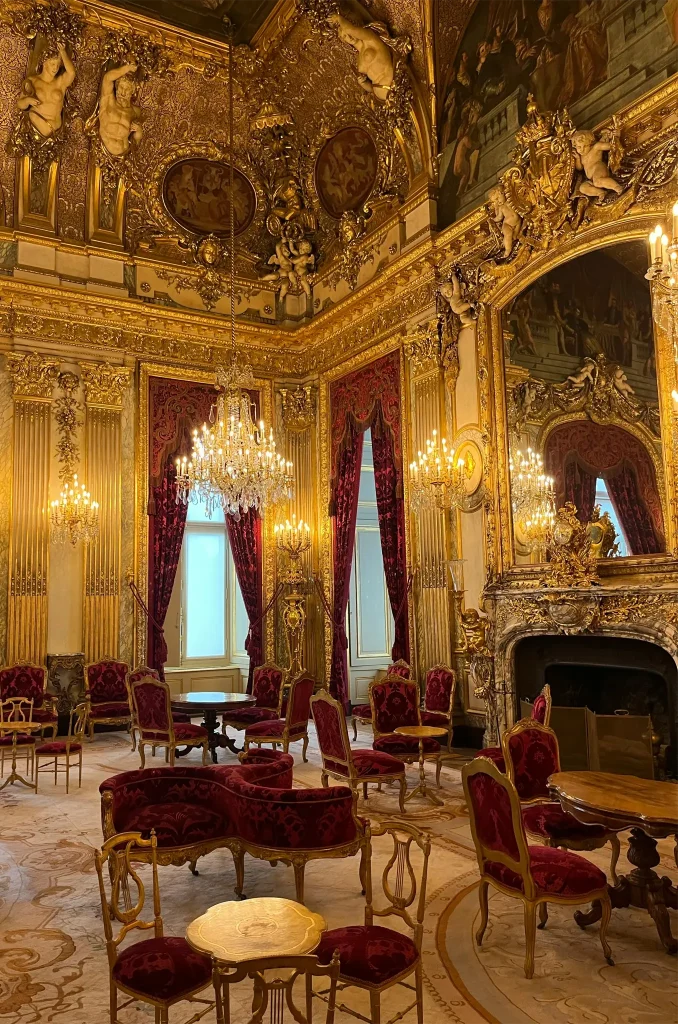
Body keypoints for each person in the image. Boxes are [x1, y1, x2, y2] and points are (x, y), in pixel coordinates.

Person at [17, 43, 75, 137]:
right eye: (52, 64)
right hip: (35, 130)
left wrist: (63, 52)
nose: (55, 68)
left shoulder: (60, 82)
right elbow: (20, 104)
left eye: (58, 64)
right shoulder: (33, 81)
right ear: (44, 63)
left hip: (56, 134)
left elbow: (71, 72)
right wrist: (27, 100)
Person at [98, 64, 142, 157]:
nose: (123, 92)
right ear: (117, 87)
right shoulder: (108, 101)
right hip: (101, 152)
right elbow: (107, 78)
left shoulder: (135, 112)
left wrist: (139, 130)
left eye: (127, 89)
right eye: (121, 87)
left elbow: (136, 140)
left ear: (132, 91)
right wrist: (127, 68)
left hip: (124, 156)